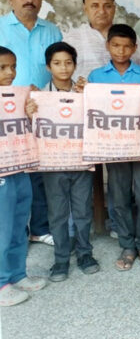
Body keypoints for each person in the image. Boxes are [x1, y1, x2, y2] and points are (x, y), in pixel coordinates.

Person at [25, 42, 99, 283]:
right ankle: (61, 259)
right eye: (57, 63)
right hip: (52, 164)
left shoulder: (84, 93)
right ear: (48, 67)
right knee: (56, 213)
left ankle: (85, 254)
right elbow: (28, 126)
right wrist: (30, 112)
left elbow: (99, 118)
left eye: (68, 62)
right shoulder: (39, 97)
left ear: (75, 65)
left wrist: (90, 97)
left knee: (82, 210)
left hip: (80, 161)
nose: (63, 68)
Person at [87, 24, 140, 271]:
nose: (121, 50)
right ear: (108, 46)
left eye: (127, 45)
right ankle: (127, 244)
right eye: (116, 45)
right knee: (118, 194)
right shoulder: (96, 77)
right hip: (113, 145)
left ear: (134, 48)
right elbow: (91, 111)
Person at [0, 0, 63, 248]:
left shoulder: (51, 30)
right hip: (5, 112)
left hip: (39, 109)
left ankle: (38, 228)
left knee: (37, 171)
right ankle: (12, 232)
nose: (29, 0)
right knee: (8, 174)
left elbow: (57, 65)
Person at [0, 47, 47, 307]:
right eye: (3, 67)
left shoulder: (17, 97)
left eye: (13, 66)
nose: (10, 72)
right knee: (2, 229)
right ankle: (1, 282)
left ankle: (18, 274)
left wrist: (30, 113)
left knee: (20, 225)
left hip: (20, 167)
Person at [62, 0, 140, 80]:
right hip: (86, 93)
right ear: (85, 9)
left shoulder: (129, 36)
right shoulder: (72, 39)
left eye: (107, 6)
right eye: (95, 6)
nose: (101, 11)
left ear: (114, 9)